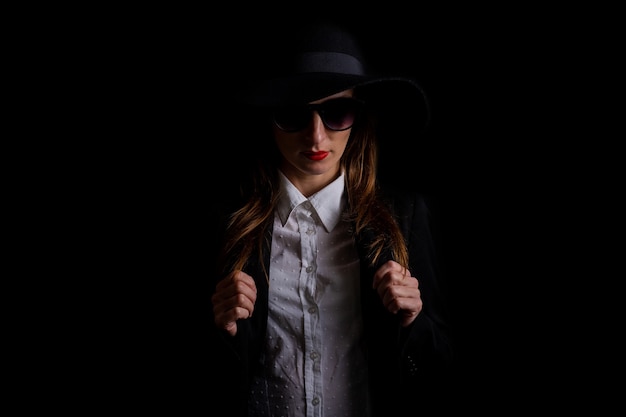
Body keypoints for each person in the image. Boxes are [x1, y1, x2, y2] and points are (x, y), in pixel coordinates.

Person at [208, 20, 453, 417]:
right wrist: (222, 330)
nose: (317, 137)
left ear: (359, 116)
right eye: (294, 114)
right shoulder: (225, 224)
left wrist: (413, 321)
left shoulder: (405, 218)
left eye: (336, 111)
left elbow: (438, 372)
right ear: (270, 119)